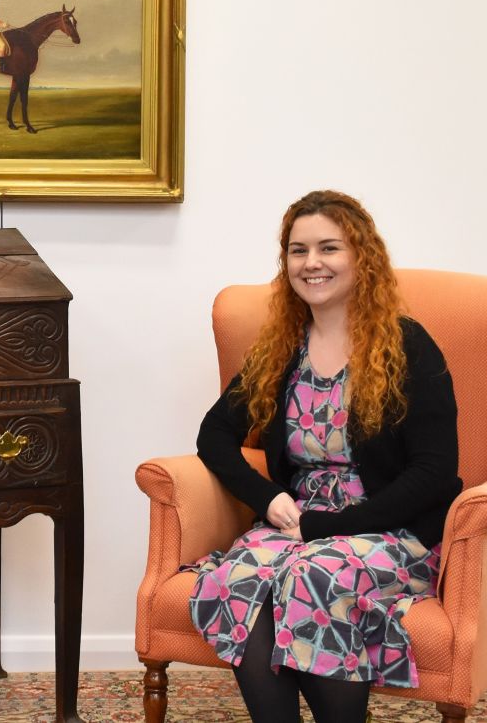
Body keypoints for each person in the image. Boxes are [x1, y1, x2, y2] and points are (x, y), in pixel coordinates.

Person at [189, 190, 461, 723]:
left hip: (389, 529)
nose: (311, 262)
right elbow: (214, 434)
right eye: (298, 250)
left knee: (313, 576)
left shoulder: (408, 346)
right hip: (298, 523)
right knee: (242, 575)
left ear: (362, 258)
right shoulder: (281, 348)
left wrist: (326, 527)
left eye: (329, 248)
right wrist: (268, 498)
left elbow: (433, 472)